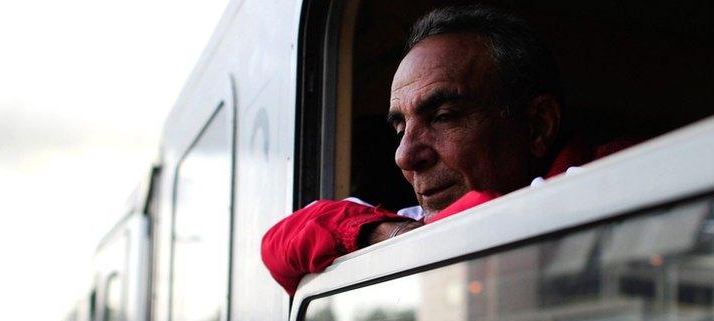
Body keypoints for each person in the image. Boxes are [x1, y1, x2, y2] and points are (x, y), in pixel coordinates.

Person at [260, 5, 630, 296]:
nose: (404, 156)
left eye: (443, 116)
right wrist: (389, 235)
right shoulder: (421, 219)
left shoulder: (616, 180)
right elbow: (281, 241)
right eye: (401, 127)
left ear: (537, 125)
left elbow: (493, 225)